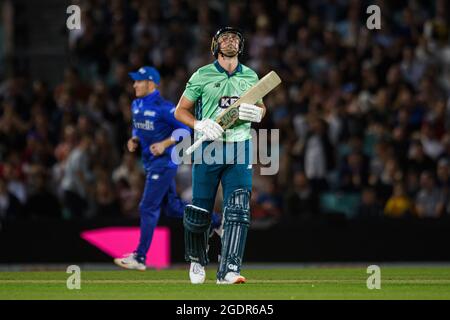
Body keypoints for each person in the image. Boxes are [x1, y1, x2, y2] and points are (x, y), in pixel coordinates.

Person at [175, 27, 266, 284]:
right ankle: (196, 259)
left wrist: (258, 114)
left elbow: (261, 107)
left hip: (240, 146)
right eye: (225, 38)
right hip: (208, 148)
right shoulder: (202, 75)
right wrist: (199, 125)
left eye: (235, 38)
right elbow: (179, 111)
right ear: (215, 44)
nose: (230, 41)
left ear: (242, 45)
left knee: (238, 209)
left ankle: (229, 271)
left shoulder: (250, 76)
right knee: (200, 210)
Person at [114, 66, 222, 271]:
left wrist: (165, 144)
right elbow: (137, 125)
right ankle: (215, 221)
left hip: (165, 163)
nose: (134, 84)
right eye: (134, 81)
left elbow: (185, 129)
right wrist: (134, 138)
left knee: (148, 207)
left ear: (152, 83)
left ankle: (140, 256)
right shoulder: (136, 104)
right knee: (172, 207)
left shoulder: (164, 108)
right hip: (150, 163)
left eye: (139, 81)